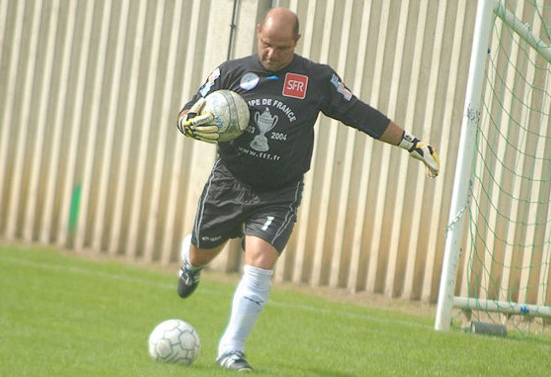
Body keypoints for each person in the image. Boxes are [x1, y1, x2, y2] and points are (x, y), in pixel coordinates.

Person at [175, 7, 439, 372]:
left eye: (281, 48)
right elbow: (188, 110)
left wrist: (411, 144)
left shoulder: (316, 79)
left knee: (260, 262)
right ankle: (191, 265)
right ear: (258, 34)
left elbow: (360, 113)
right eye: (266, 44)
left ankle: (231, 350)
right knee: (203, 252)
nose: (271, 53)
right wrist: (187, 122)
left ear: (296, 42)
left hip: (279, 192)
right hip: (229, 182)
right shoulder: (230, 72)